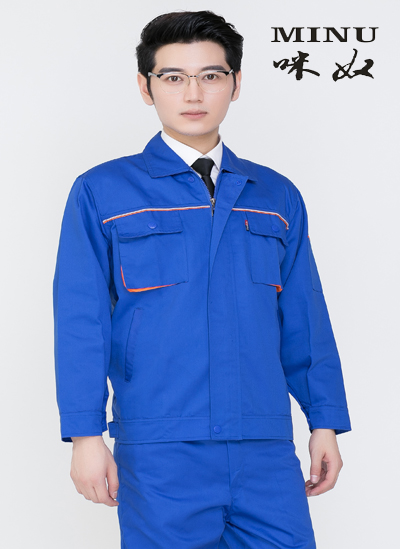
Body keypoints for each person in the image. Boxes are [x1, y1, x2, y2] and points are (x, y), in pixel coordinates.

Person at [53, 10, 351, 548]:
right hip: (160, 448)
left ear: (236, 84)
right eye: (173, 77)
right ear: (145, 87)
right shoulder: (103, 191)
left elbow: (304, 318)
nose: (193, 93)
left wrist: (323, 421)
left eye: (211, 75)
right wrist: (84, 434)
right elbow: (81, 320)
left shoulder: (275, 195)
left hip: (263, 445)